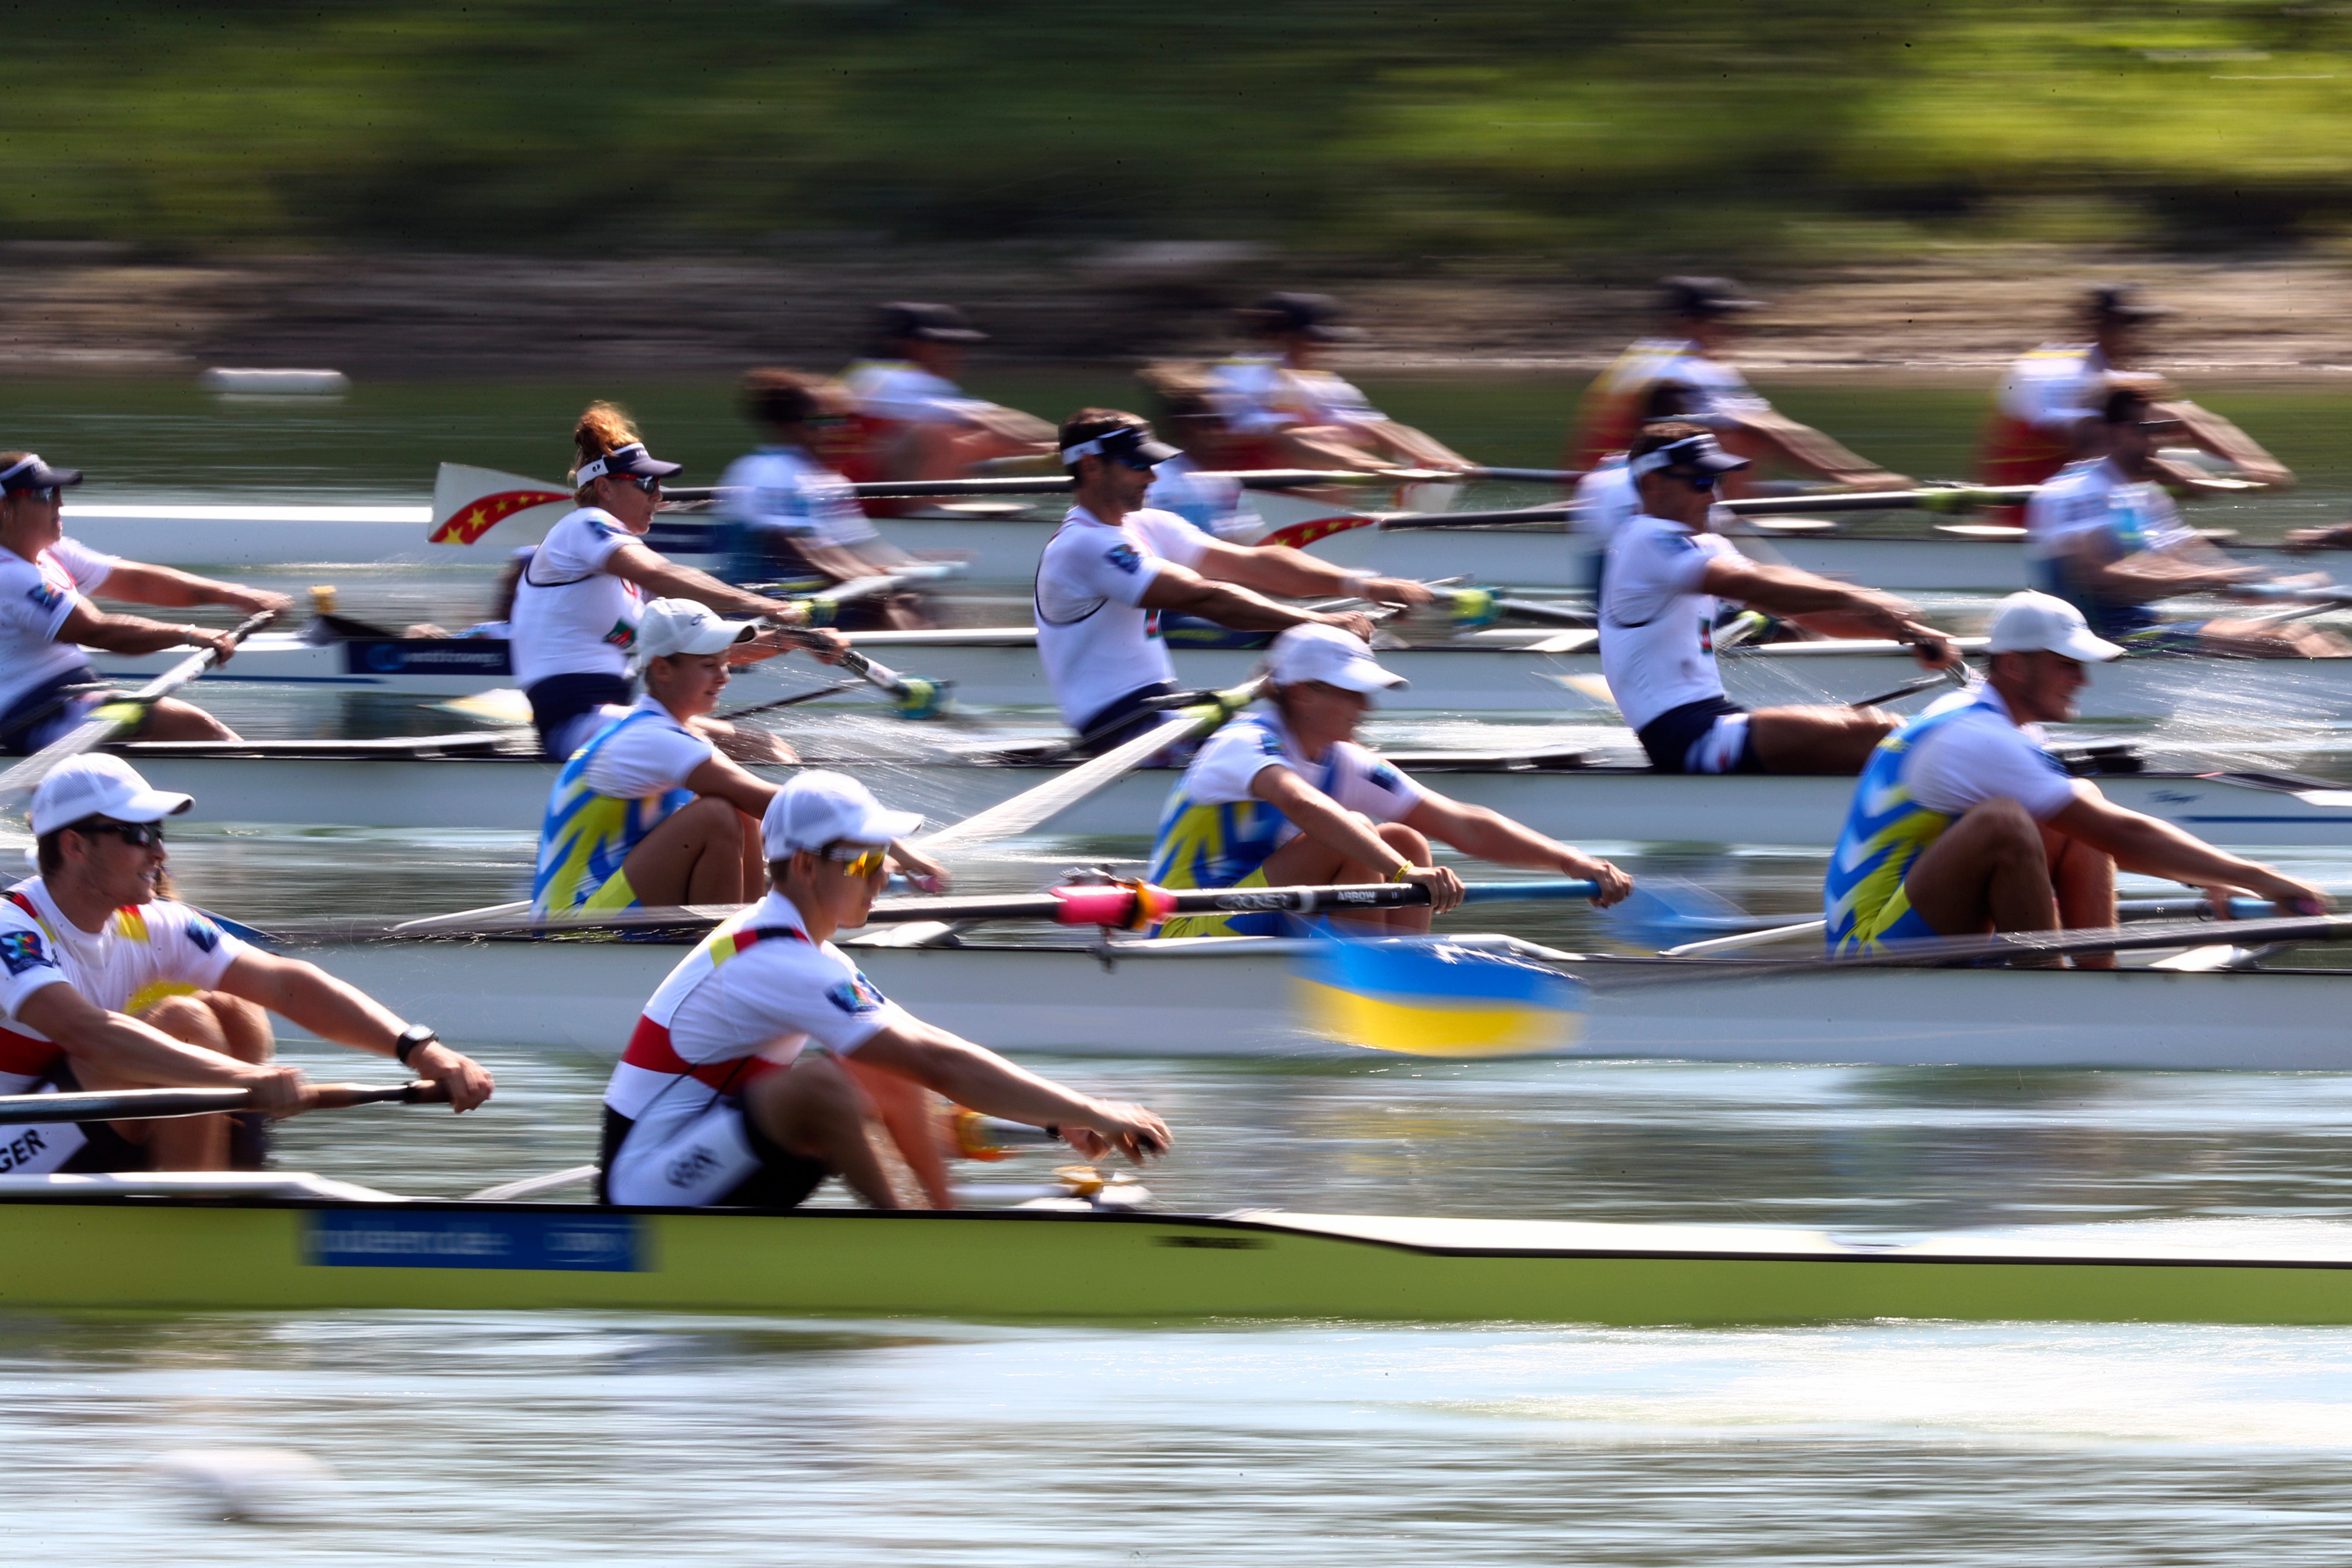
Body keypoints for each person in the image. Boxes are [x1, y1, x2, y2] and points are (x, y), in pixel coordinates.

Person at [597, 772, 1170, 1210]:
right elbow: (941, 1063)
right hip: (643, 1187)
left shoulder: (807, 952)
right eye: (868, 859)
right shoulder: (772, 959)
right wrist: (1095, 1109)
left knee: (881, 1065)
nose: (884, 877)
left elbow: (924, 1047)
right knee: (824, 1084)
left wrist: (1057, 1116)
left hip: (710, 1149)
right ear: (804, 865)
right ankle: (911, 1247)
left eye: (885, 859)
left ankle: (943, 1224)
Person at [0, 755, 495, 1174]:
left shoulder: (147, 922)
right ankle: (190, 1227)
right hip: (11, 1144)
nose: (160, 850)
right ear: (75, 845)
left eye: (158, 830)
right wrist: (244, 1079)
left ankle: (229, 1195)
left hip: (66, 1128)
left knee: (233, 1007)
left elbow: (286, 985)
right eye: (137, 833)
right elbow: (88, 1033)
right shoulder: (13, 926)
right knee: (184, 1019)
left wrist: (421, 1051)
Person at [1824, 591, 2328, 962]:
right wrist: (2259, 879)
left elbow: (2099, 829)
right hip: (1868, 948)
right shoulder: (1976, 735)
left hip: (1918, 920)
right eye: (2068, 665)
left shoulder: (2002, 721)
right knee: (2008, 823)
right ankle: (2055, 992)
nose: (2083, 681)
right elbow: (2122, 838)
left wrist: (2212, 877)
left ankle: (2094, 975)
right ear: (2017, 667)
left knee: (2077, 803)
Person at [1146, 624, 1632, 939]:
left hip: (1265, 915)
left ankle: (1394, 969)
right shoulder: (1245, 741)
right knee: (1360, 836)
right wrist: (1402, 875)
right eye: (1353, 693)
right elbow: (1303, 806)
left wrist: (1574, 862)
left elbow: (1465, 826)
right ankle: (1373, 986)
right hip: (1187, 926)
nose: (1367, 708)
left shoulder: (1343, 761)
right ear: (1304, 694)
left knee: (1405, 838)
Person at [1035, 408, 1432, 754]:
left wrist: (1362, 586)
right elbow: (1204, 598)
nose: (1153, 476)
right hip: (1119, 730)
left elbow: (1256, 563)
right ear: (1091, 467)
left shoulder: (1148, 524)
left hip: (1163, 711)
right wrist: (1317, 622)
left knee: (1317, 740)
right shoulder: (1084, 546)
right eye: (1137, 465)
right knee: (1303, 744)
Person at [533, 599, 946, 918]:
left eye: (726, 664)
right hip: (577, 924)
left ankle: (754, 932)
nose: (724, 677)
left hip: (614, 903)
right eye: (709, 665)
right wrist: (898, 852)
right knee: (720, 814)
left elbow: (777, 825)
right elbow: (779, 803)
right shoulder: (650, 740)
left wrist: (867, 866)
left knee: (738, 814)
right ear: (662, 670)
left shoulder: (673, 732)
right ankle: (729, 955)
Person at [1601, 423, 1957, 775]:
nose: (1714, 496)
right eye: (1700, 482)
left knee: (1901, 740)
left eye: (1717, 481)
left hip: (1716, 724)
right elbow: (1752, 585)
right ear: (1653, 483)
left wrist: (1907, 631)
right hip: (1685, 739)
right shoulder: (1645, 541)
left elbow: (1814, 613)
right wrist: (1858, 597)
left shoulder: (1706, 546)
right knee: (1886, 734)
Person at [508, 403, 844, 762]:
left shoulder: (624, 579)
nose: (659, 495)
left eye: (659, 484)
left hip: (612, 718)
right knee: (762, 751)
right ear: (604, 488)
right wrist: (766, 606)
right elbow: (663, 574)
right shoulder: (584, 525)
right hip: (575, 724)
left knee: (769, 746)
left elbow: (700, 649)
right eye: (647, 483)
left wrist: (794, 640)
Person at [0, 453, 292, 754]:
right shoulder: (7, 574)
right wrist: (188, 635)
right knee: (197, 726)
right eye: (44, 495)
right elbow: (98, 632)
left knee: (187, 726)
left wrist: (236, 595)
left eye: (57, 493)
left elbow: (138, 582)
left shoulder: (50, 552)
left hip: (72, 700)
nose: (59, 503)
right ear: (4, 508)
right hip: (34, 720)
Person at [2027, 384, 2346, 658]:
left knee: (2306, 635)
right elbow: (2102, 581)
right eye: (2148, 430)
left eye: (2162, 430)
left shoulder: (2147, 495)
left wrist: (2283, 587)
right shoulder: (2076, 492)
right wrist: (2210, 579)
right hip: (2091, 643)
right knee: (2284, 639)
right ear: (2114, 432)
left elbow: (2196, 561)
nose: (2158, 441)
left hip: (2138, 632)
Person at [1980, 284, 2291, 524]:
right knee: (2137, 442)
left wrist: (2255, 464)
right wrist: (2172, 472)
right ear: (2099, 328)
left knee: (2145, 432)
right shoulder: (2055, 375)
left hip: (2077, 497)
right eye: (2129, 326)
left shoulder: (2109, 373)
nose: (2139, 337)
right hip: (2029, 511)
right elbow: (2092, 447)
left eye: (2140, 326)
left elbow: (2183, 419)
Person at [1568, 277, 1909, 494]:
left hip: (1607, 489)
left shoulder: (1652, 355)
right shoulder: (1680, 366)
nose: (1732, 331)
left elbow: (1772, 424)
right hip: (1631, 495)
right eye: (1721, 321)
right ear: (1684, 323)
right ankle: (1741, 517)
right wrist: (1856, 479)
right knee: (1739, 434)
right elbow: (1765, 429)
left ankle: (1743, 513)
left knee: (1730, 431)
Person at [715, 368, 932, 629]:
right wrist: (868, 581)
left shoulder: (828, 479)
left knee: (913, 599)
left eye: (842, 420)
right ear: (790, 427)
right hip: (768, 606)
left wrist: (907, 568)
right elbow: (801, 547)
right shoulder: (766, 471)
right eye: (824, 421)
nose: (840, 430)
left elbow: (859, 545)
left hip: (814, 596)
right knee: (888, 607)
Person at [1205, 293, 1472, 474]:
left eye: (1328, 341)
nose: (1324, 348)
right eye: (1314, 339)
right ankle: (1386, 473)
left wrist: (1443, 461)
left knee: (1384, 429)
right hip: (1243, 470)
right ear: (1280, 336)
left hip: (1299, 469)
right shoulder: (1243, 372)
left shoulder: (1322, 379)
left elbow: (1374, 427)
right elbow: (1254, 433)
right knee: (1291, 437)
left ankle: (1453, 469)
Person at [836, 303, 1056, 512]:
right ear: (912, 346)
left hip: (861, 498)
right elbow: (993, 420)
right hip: (854, 504)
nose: (959, 355)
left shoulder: (868, 372)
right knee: (936, 436)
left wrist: (1057, 449)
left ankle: (937, 517)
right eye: (948, 344)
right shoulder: (884, 378)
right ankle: (935, 523)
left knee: (965, 438)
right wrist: (1074, 441)